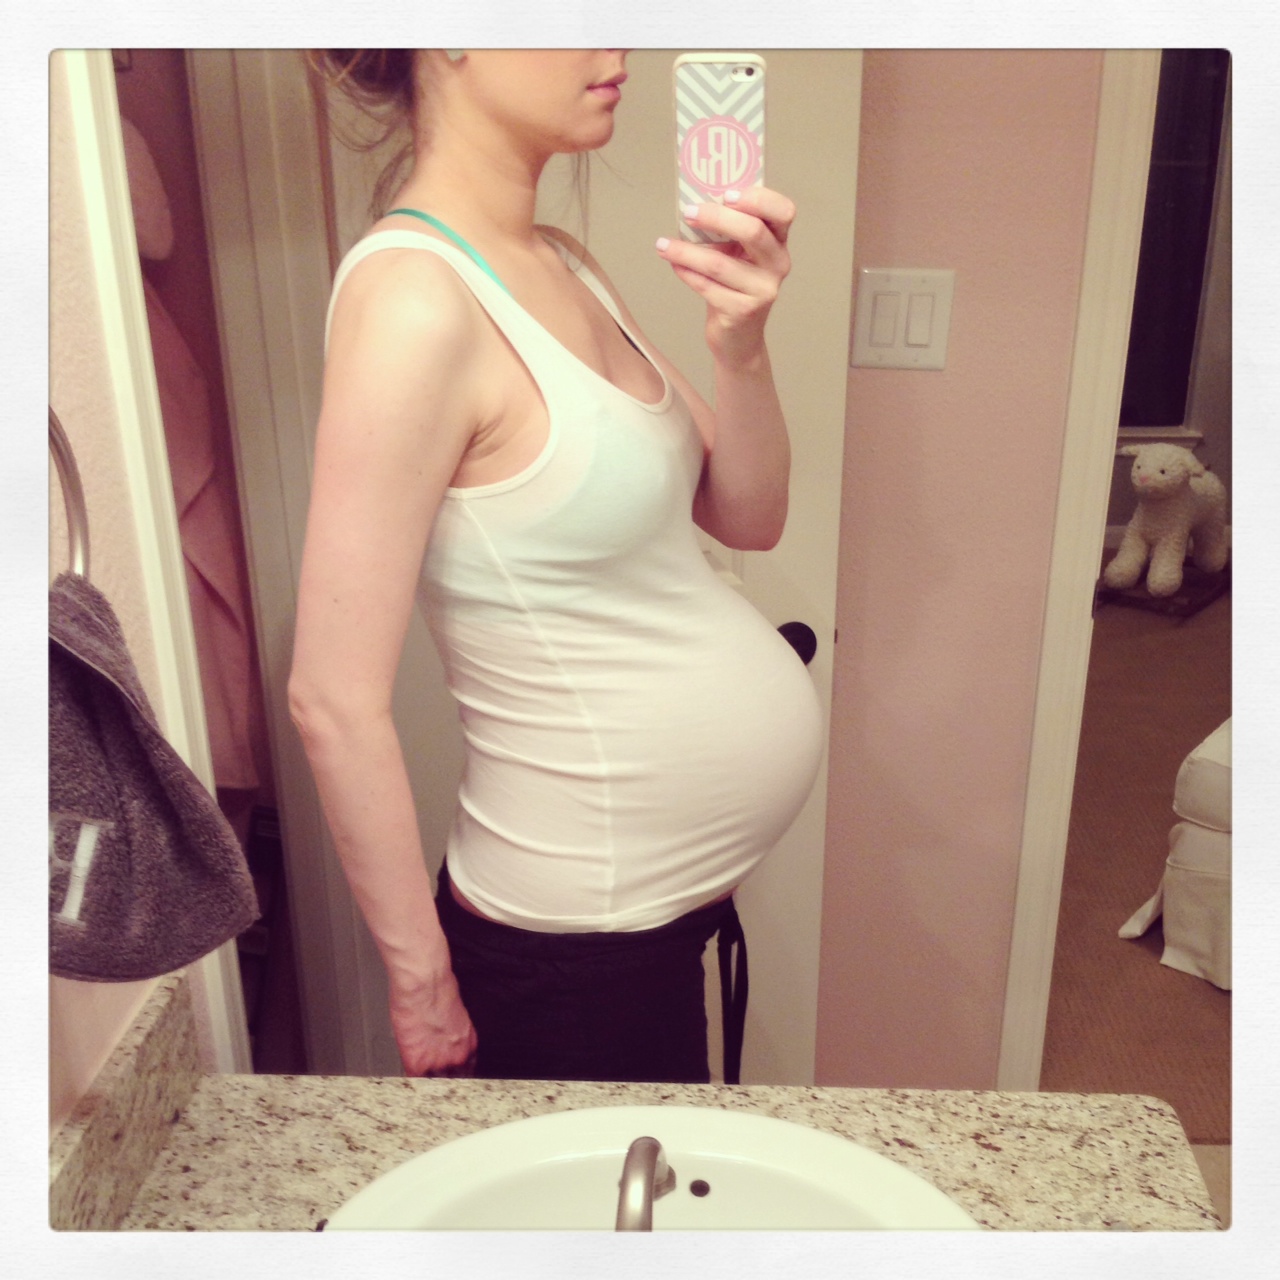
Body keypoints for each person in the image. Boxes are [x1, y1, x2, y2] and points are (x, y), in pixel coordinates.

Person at [289, 49, 824, 1084]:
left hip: (643, 932)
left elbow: (749, 515)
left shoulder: (562, 261)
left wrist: (742, 345)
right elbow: (331, 699)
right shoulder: (413, 302)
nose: (614, 50)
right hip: (570, 964)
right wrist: (421, 983)